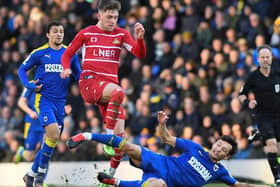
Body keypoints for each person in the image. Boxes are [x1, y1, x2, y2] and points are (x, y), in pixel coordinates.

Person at [60, 0, 146, 181]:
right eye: (109, 16)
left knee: (121, 141)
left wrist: (139, 38)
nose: (113, 20)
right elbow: (67, 54)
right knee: (119, 93)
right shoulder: (86, 33)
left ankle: (109, 177)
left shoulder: (121, 34)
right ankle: (106, 137)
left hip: (109, 88)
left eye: (115, 17)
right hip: (90, 83)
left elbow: (139, 54)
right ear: (99, 15)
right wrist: (66, 68)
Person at [66, 111, 269, 187]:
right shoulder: (195, 148)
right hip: (160, 161)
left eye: (222, 150)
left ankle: (116, 181)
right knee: (130, 147)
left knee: (156, 186)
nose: (217, 149)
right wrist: (162, 123)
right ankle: (86, 135)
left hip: (165, 181)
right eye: (218, 144)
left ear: (226, 156)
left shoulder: (220, 172)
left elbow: (240, 186)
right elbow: (165, 137)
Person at [18, 21, 81, 187]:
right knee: (53, 135)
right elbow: (21, 70)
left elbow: (79, 75)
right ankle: (39, 176)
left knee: (51, 140)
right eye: (55, 31)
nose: (59, 34)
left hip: (60, 103)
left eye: (61, 31)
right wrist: (29, 85)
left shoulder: (70, 53)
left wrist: (82, 79)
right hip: (44, 100)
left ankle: (30, 174)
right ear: (48, 35)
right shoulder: (39, 53)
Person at [239, 44, 280, 186]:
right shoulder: (253, 76)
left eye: (267, 57)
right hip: (263, 116)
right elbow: (241, 94)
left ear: (271, 58)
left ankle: (259, 135)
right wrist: (248, 102)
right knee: (272, 145)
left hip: (278, 115)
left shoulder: (277, 72)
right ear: (258, 59)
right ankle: (277, 179)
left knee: (277, 151)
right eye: (262, 57)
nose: (265, 60)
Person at [13, 84, 45, 163]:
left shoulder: (51, 83)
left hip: (45, 122)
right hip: (32, 124)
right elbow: (21, 102)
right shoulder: (30, 84)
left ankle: (41, 172)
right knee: (29, 156)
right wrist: (30, 112)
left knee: (45, 148)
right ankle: (21, 152)